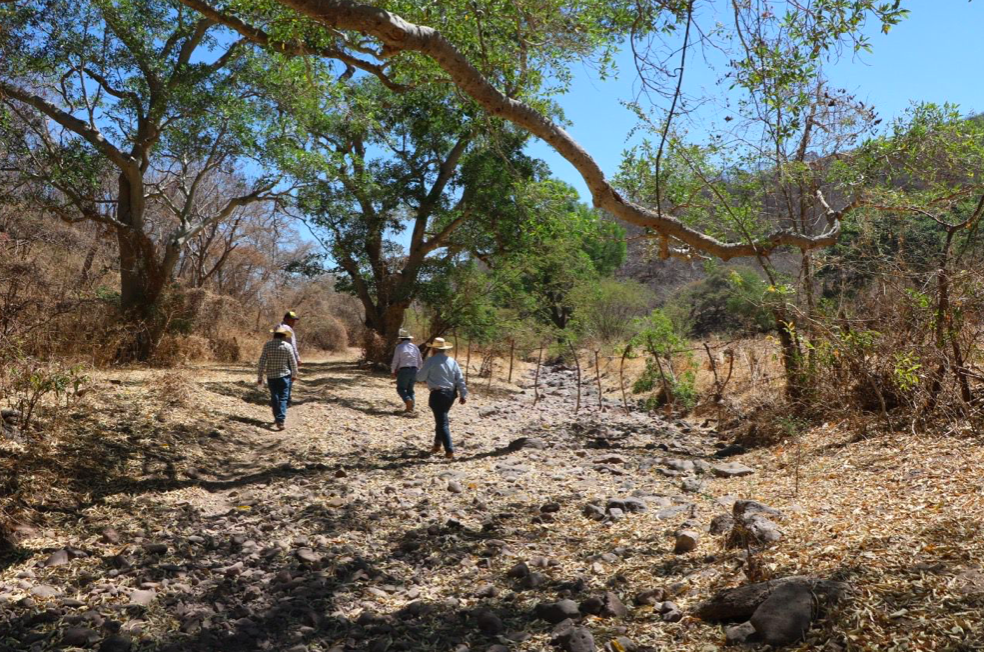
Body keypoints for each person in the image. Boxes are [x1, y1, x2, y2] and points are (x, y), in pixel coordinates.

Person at [416, 337, 467, 459]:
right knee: (441, 419)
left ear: (433, 349)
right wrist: (463, 393)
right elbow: (459, 378)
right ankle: (437, 444)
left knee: (442, 422)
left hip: (437, 394)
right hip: (450, 394)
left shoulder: (431, 361)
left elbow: (420, 377)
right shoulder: (452, 361)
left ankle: (449, 450)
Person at [256, 325, 298, 431]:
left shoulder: (268, 345)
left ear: (274, 334)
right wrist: (294, 374)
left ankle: (277, 418)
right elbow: (293, 362)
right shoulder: (287, 346)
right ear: (284, 336)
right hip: (285, 376)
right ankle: (281, 420)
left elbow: (262, 361)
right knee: (283, 398)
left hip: (271, 376)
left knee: (274, 397)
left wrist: (260, 376)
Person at [391, 329, 423, 412]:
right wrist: (418, 371)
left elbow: (396, 360)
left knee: (400, 389)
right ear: (409, 338)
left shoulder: (399, 347)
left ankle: (407, 400)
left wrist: (393, 371)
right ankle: (411, 408)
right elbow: (420, 361)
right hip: (414, 370)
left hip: (404, 369)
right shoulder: (415, 347)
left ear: (401, 339)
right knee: (410, 389)